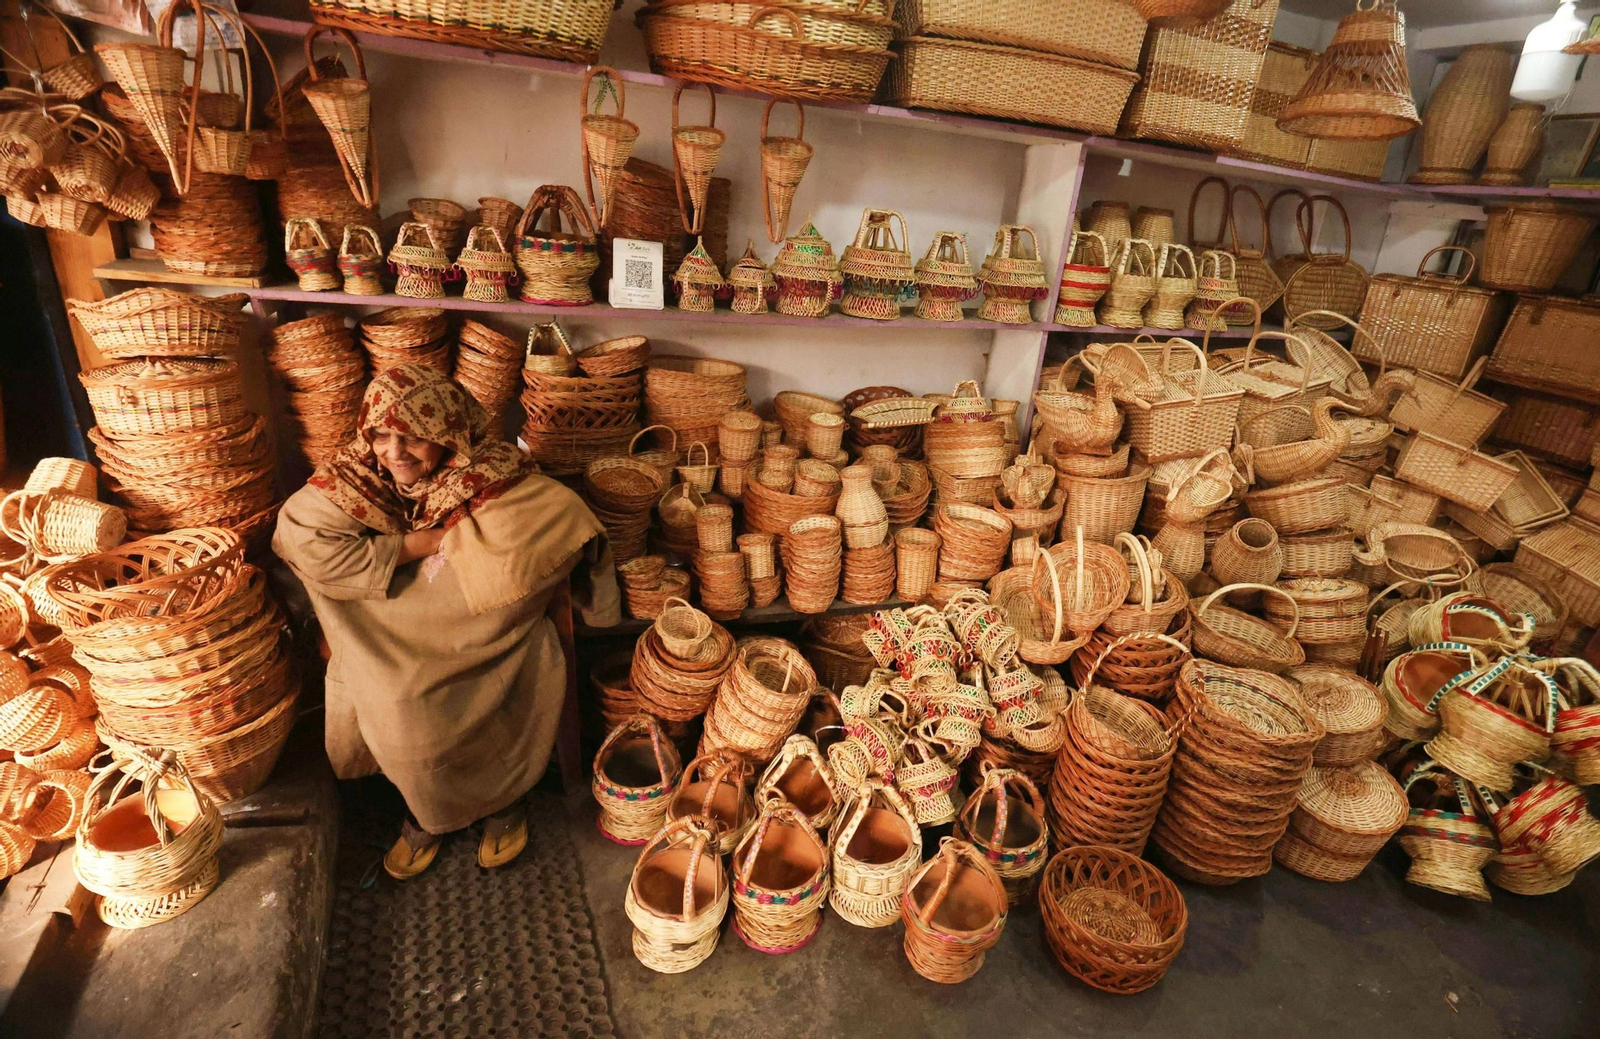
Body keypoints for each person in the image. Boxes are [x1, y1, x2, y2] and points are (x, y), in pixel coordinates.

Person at [273, 363, 618, 879]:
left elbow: (559, 521)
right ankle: (427, 812)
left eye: (416, 438)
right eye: (382, 435)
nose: (395, 453)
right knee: (402, 700)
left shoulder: (492, 469)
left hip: (478, 630)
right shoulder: (355, 474)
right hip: (382, 626)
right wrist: (417, 545)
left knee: (486, 685)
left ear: (451, 434)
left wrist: (464, 556)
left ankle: (502, 801)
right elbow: (298, 538)